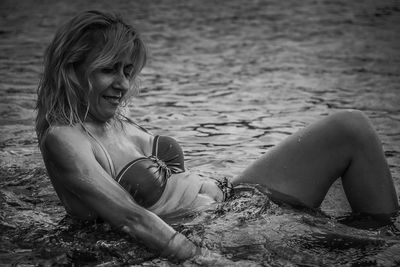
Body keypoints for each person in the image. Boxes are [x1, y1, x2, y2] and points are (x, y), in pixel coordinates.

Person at [35, 10, 399, 261]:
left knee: (351, 127)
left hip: (234, 200)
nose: (124, 84)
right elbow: (131, 218)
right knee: (354, 243)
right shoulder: (65, 139)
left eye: (128, 70)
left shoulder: (113, 116)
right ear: (72, 68)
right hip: (217, 231)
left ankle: (385, 238)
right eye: (109, 70)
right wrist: (205, 259)